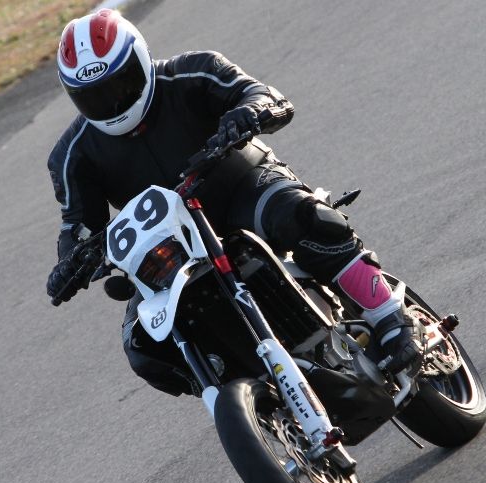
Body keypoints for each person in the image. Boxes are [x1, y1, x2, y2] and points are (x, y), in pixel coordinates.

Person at [46, 9, 420, 396]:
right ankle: (244, 392)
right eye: (93, 96)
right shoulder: (71, 155)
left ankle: (390, 317)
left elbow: (264, 95)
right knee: (142, 344)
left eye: (120, 84)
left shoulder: (193, 71)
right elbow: (78, 224)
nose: (111, 102)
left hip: (242, 187)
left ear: (141, 59)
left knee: (301, 216)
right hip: (174, 242)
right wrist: (71, 260)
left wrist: (249, 112)